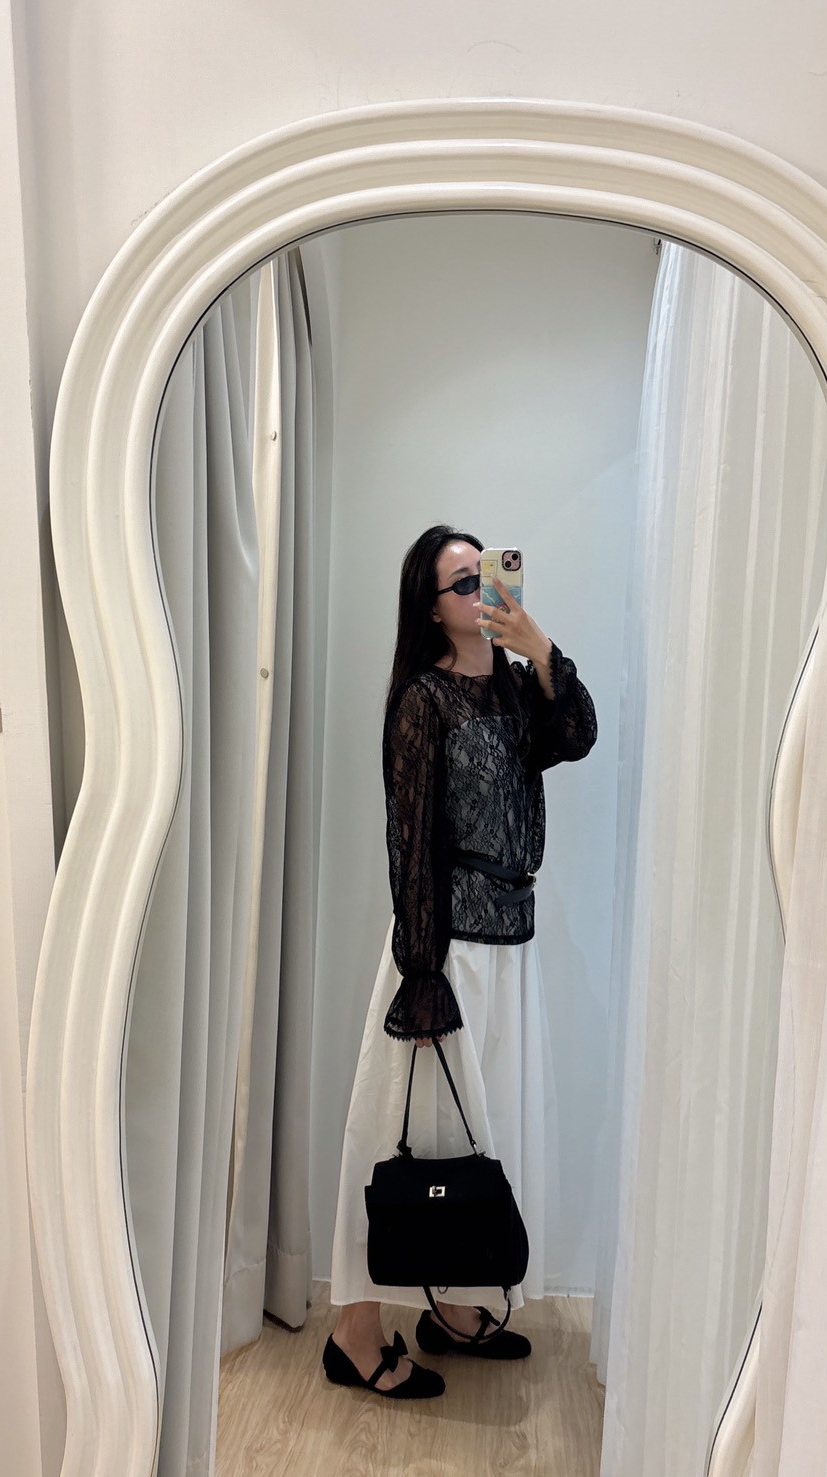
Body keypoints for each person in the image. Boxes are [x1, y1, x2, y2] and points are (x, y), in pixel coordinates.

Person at [322, 524, 598, 1399]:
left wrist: (540, 648)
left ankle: (452, 1303)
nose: (481, 589)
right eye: (464, 581)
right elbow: (408, 841)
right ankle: (354, 1332)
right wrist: (420, 971)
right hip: (445, 950)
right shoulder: (423, 700)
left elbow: (578, 734)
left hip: (510, 942)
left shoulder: (517, 688)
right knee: (396, 1133)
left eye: (488, 573)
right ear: (432, 606)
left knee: (480, 1133)